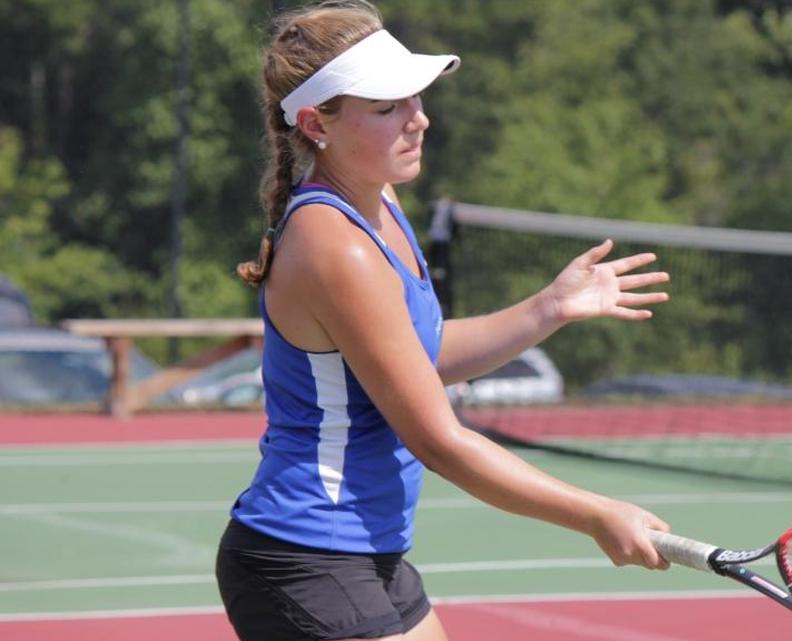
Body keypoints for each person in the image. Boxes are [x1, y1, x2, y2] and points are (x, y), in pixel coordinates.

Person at [215, 2, 673, 640]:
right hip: (308, 556)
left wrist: (548, 308)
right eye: (387, 108)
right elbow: (438, 440)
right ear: (318, 124)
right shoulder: (335, 244)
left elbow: (414, 358)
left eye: (415, 99)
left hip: (365, 552)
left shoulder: (378, 202)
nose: (419, 119)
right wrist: (596, 515)